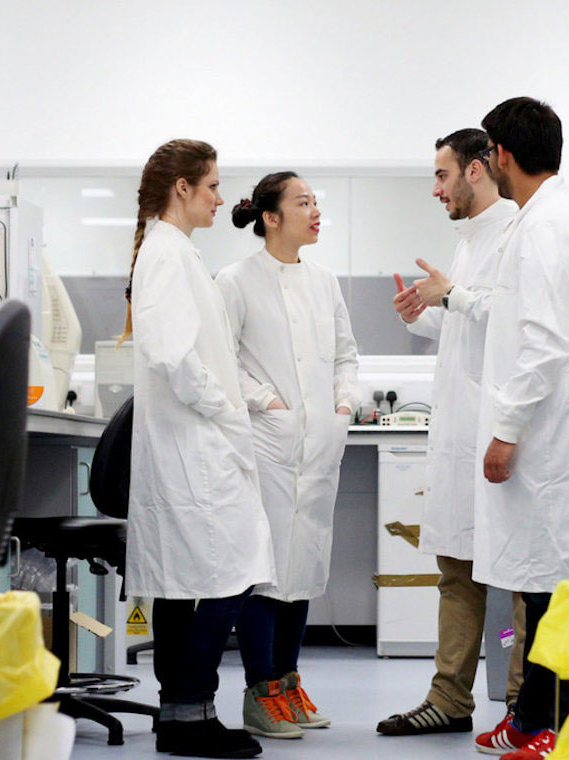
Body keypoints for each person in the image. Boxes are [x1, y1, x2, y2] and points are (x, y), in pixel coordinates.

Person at [469, 99, 569, 760]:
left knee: (558, 594)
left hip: (551, 440)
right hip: (552, 437)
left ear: (501, 155)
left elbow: (543, 344)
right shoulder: (546, 217)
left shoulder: (546, 225)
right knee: (540, 589)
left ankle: (557, 731)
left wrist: (505, 431)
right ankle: (533, 720)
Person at [122, 138, 275, 760]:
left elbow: (202, 349)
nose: (220, 198)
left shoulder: (176, 252)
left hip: (200, 442)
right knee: (221, 576)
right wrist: (223, 406)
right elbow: (172, 355)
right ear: (182, 187)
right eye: (211, 186)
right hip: (195, 443)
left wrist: (245, 399)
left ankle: (184, 715)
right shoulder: (164, 254)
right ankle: (188, 712)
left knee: (195, 580)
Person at [375, 129, 526, 739]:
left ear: (475, 170)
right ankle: (449, 699)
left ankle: (523, 702)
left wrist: (455, 297)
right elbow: (471, 330)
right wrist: (430, 316)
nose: (435, 190)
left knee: (516, 574)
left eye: (441, 175)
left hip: (501, 430)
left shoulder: (518, 232)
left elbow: (516, 323)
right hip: (464, 429)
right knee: (456, 570)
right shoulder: (467, 243)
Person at [215, 172, 361, 740]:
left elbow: (346, 354)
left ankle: (289, 683)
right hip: (268, 442)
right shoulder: (235, 280)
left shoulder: (324, 281)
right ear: (270, 217)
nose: (315, 211)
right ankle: (260, 692)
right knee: (267, 569)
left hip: (320, 440)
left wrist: (345, 403)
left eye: (316, 202)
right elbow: (222, 357)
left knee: (304, 566)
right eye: (303, 203)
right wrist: (266, 401)